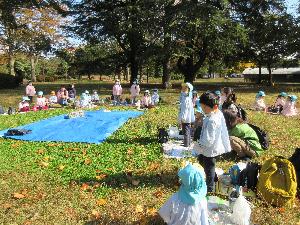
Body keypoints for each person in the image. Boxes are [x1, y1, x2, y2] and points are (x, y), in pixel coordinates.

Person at [194, 92, 231, 192]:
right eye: (202, 107)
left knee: (208, 168)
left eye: (204, 108)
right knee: (202, 160)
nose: (203, 110)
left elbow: (208, 140)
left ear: (214, 107)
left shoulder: (212, 120)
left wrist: (199, 143)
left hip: (209, 149)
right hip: (211, 147)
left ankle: (210, 189)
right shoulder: (216, 113)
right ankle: (214, 178)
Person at [178, 83, 195, 147]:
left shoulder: (186, 99)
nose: (182, 88)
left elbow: (185, 110)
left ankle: (186, 144)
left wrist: (183, 118)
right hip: (187, 117)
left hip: (185, 118)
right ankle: (188, 142)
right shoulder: (186, 97)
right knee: (187, 130)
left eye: (184, 87)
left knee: (186, 131)